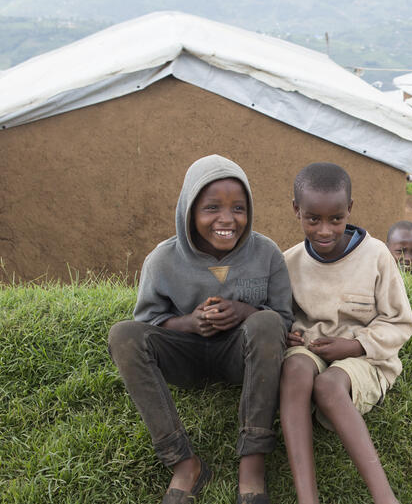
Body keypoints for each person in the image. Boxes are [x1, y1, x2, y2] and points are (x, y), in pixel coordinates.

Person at [108, 154, 292, 504]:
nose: (227, 219)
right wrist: (188, 323)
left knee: (266, 321)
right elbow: (147, 321)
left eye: (239, 208)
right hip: (185, 356)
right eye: (212, 208)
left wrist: (244, 311)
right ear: (189, 211)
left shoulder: (266, 254)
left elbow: (283, 319)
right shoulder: (162, 260)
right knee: (123, 335)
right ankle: (183, 463)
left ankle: (251, 466)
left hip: (242, 359)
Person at [280, 162, 412, 504]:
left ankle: (385, 498)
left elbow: (399, 322)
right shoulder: (289, 262)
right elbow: (282, 316)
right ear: (296, 210)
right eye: (313, 219)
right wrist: (289, 333)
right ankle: (306, 499)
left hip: (365, 358)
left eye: (335, 219)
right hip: (311, 350)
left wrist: (354, 345)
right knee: (294, 371)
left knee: (328, 385)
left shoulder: (376, 256)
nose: (325, 230)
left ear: (349, 210)